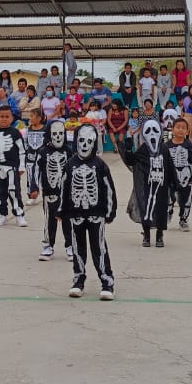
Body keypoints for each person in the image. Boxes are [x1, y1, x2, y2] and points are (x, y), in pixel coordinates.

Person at [62, 125, 117, 300]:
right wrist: (61, 210)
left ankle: (107, 281)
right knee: (78, 249)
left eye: (89, 141)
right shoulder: (70, 164)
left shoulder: (100, 165)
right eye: (81, 141)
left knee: (99, 248)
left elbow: (109, 189)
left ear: (94, 143)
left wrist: (110, 211)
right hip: (75, 214)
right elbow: (64, 187)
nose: (85, 145)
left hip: (96, 214)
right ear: (76, 142)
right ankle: (78, 279)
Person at [123, 119, 168, 247]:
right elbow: (131, 161)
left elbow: (170, 167)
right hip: (146, 185)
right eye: (148, 131)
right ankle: (146, 235)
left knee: (161, 210)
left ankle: (159, 235)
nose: (152, 134)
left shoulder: (164, 149)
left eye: (155, 130)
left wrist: (174, 185)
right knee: (146, 209)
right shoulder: (143, 149)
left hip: (162, 186)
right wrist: (128, 149)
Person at [0, 105, 27, 227]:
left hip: (11, 167)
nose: (4, 119)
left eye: (7, 116)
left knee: (14, 191)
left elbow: (22, 151)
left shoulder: (15, 133)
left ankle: (19, 214)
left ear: (12, 118)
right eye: (1, 116)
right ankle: (1, 214)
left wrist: (22, 166)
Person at [37, 118, 72, 261]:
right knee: (49, 220)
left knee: (67, 220)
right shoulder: (43, 152)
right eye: (55, 134)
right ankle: (48, 245)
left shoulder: (68, 151)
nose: (58, 137)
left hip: (66, 193)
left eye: (61, 133)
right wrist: (33, 186)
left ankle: (70, 245)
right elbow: (36, 170)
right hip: (49, 192)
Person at [164, 116, 192, 232]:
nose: (180, 130)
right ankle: (167, 213)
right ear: (172, 129)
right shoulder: (166, 146)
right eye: (178, 127)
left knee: (186, 200)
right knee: (168, 198)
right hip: (170, 177)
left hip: (185, 176)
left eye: (184, 128)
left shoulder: (189, 146)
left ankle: (183, 219)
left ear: (187, 131)